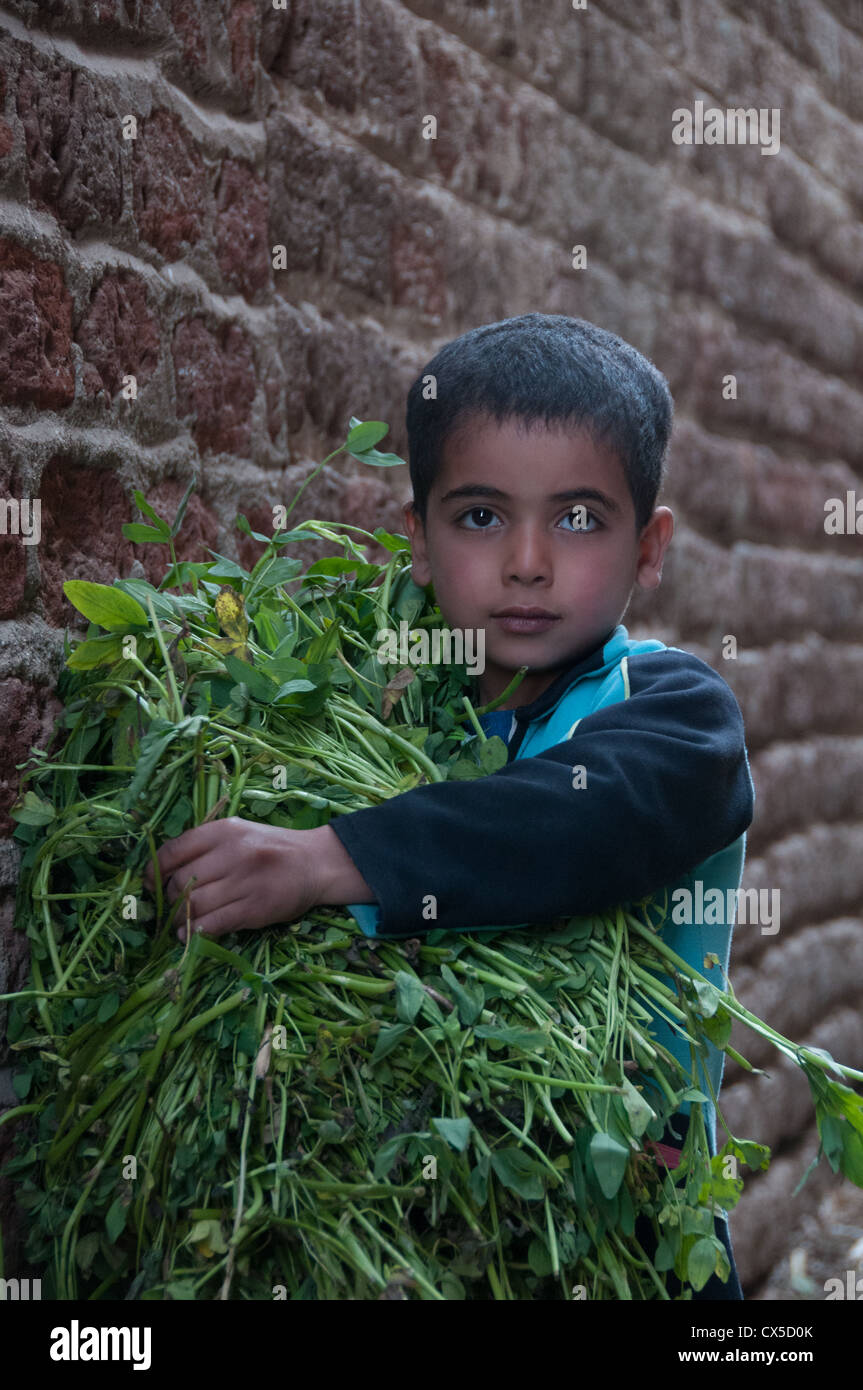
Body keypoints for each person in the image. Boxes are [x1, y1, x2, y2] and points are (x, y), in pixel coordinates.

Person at [144, 312, 755, 1300]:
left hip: (628, 1241)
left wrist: (324, 859)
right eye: (478, 517)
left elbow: (574, 820)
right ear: (416, 541)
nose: (525, 561)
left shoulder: (676, 715)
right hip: (428, 1240)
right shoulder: (383, 726)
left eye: (576, 519)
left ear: (648, 549)